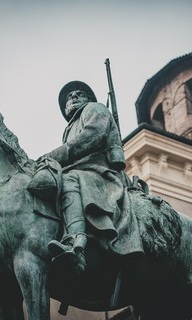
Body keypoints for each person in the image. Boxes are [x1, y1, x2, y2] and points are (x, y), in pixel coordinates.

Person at [44, 81, 143, 274]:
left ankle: (75, 243)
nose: (72, 97)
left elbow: (93, 135)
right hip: (80, 169)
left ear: (89, 99)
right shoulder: (69, 128)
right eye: (69, 97)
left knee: (68, 181)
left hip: (97, 171)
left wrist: (54, 156)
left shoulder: (94, 108)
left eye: (79, 94)